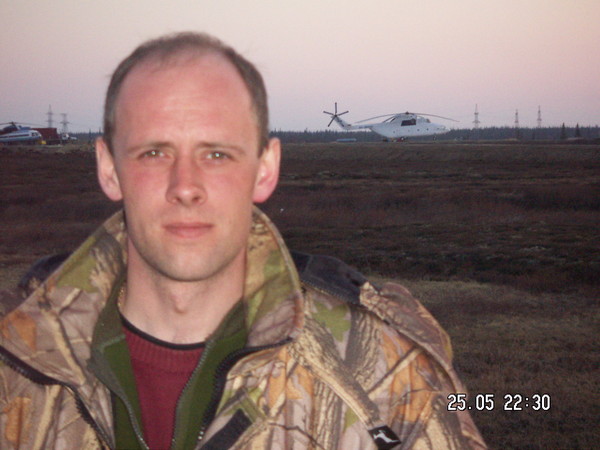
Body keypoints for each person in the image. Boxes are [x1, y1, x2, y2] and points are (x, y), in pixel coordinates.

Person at [0, 32, 486, 449]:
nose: (185, 187)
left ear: (265, 169)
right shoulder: (15, 359)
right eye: (154, 152)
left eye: (216, 153)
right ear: (109, 169)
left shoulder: (382, 365)